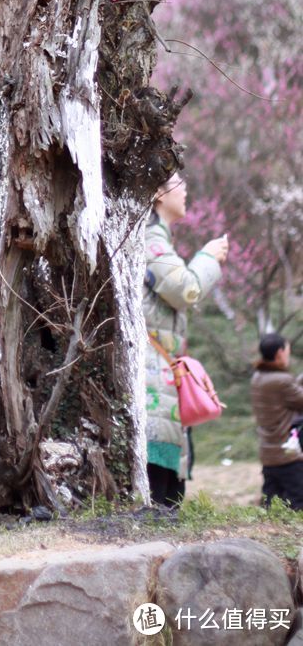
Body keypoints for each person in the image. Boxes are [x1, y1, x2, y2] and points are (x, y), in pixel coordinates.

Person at [143, 172, 228, 507]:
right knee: (159, 488)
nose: (186, 188)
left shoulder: (158, 241)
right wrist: (208, 257)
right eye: (179, 182)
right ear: (158, 194)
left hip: (159, 371)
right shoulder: (152, 240)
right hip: (152, 373)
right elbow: (187, 289)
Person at [250, 333, 303, 510]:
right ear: (280, 353)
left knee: (271, 505)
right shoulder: (282, 381)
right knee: (298, 503)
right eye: (287, 350)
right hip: (288, 456)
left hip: (268, 454)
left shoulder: (257, 378)